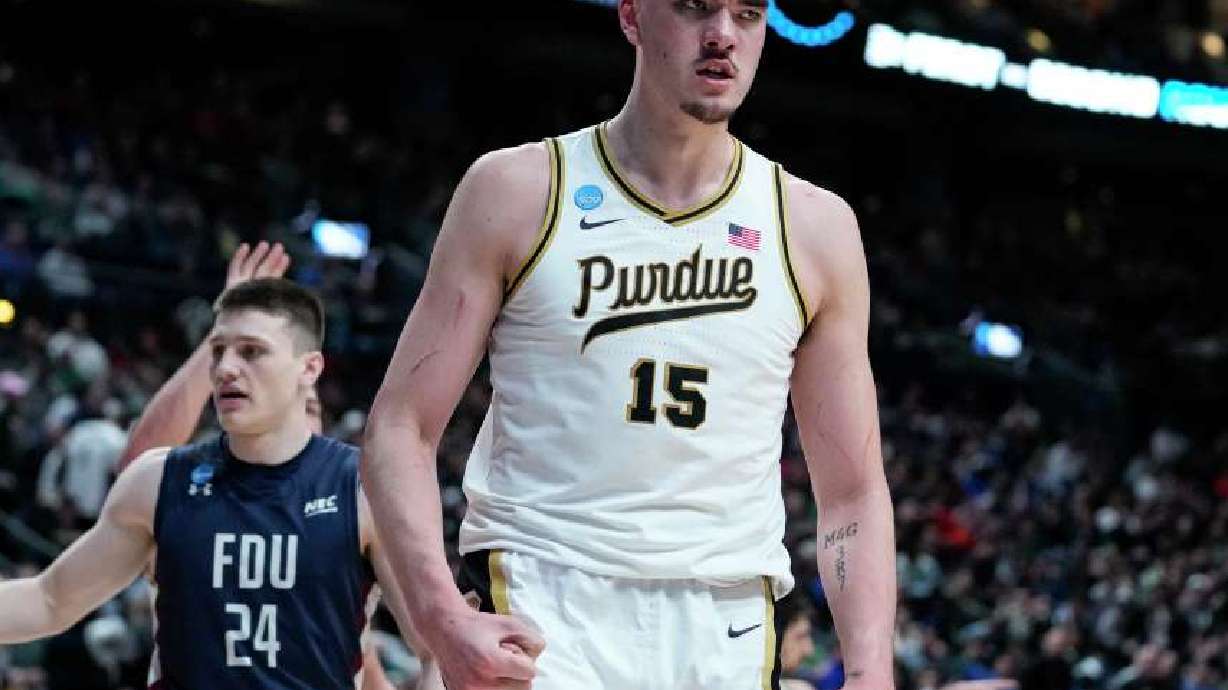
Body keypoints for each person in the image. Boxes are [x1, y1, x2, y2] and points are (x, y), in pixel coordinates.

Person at [362, 0, 897, 688]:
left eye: (747, 14)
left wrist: (869, 669)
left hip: (725, 623)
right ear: (632, 16)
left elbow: (852, 492)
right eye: (695, 8)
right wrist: (440, 618)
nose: (722, 37)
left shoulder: (815, 228)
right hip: (544, 601)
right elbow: (399, 427)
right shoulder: (517, 190)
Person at [0, 275, 412, 690]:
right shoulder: (157, 481)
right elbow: (50, 600)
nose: (226, 368)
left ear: (309, 368)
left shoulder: (365, 488)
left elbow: (435, 646)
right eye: (218, 352)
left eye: (251, 351)